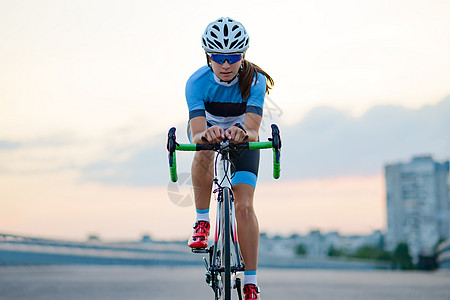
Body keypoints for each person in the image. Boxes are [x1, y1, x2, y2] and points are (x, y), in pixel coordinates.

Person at [185, 17, 274, 300]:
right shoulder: (196, 82)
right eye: (219, 57)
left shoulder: (255, 81)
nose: (226, 64)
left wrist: (242, 134)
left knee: (244, 206)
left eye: (233, 57)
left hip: (242, 136)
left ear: (243, 56)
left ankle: (250, 281)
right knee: (203, 152)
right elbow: (197, 132)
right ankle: (202, 221)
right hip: (207, 130)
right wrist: (207, 134)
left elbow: (252, 127)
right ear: (208, 56)